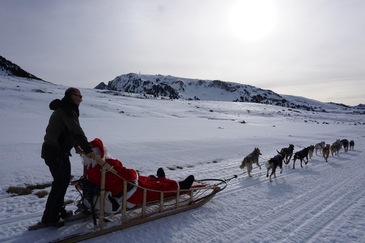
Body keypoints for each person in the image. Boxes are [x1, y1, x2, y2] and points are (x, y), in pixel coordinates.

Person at [81, 138, 195, 211]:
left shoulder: (89, 166)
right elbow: (129, 175)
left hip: (112, 191)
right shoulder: (108, 164)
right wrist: (134, 172)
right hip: (126, 195)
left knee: (144, 179)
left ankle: (160, 179)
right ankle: (179, 186)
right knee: (152, 188)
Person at [40, 87, 94, 227]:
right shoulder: (66, 110)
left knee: (64, 181)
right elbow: (77, 130)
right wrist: (88, 149)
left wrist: (76, 146)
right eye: (79, 96)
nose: (81, 99)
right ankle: (49, 218)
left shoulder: (68, 108)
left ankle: (58, 210)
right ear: (71, 96)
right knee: (59, 182)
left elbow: (69, 131)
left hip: (61, 152)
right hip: (53, 152)